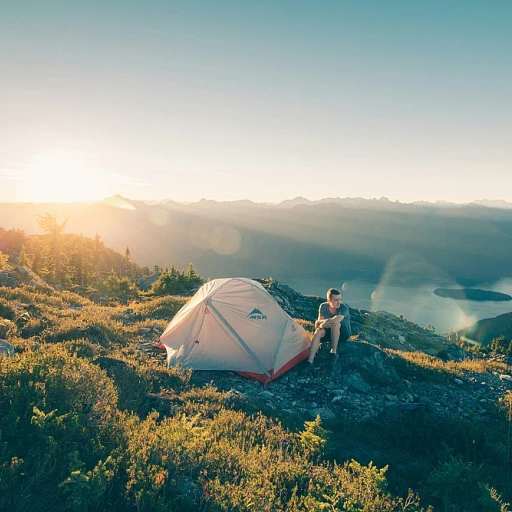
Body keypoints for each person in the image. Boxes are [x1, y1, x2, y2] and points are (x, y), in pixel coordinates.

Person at [304, 287, 351, 374]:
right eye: (336, 300)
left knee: (336, 324)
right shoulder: (323, 306)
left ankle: (333, 352)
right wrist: (321, 324)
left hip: (343, 334)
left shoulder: (343, 308)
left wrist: (322, 323)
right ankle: (310, 361)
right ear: (329, 300)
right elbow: (317, 325)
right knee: (318, 331)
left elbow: (335, 320)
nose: (338, 302)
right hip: (328, 332)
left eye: (339, 299)